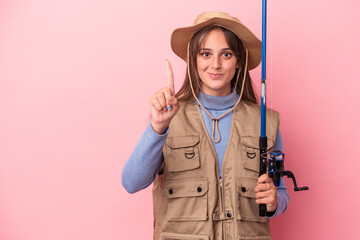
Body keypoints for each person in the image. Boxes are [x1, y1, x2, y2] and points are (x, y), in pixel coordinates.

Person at [122, 11, 289, 240]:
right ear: (194, 59)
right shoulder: (168, 116)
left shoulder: (266, 123)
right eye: (206, 54)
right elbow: (131, 182)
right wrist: (157, 128)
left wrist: (274, 201)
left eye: (227, 54)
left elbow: (280, 194)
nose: (216, 65)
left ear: (239, 60)